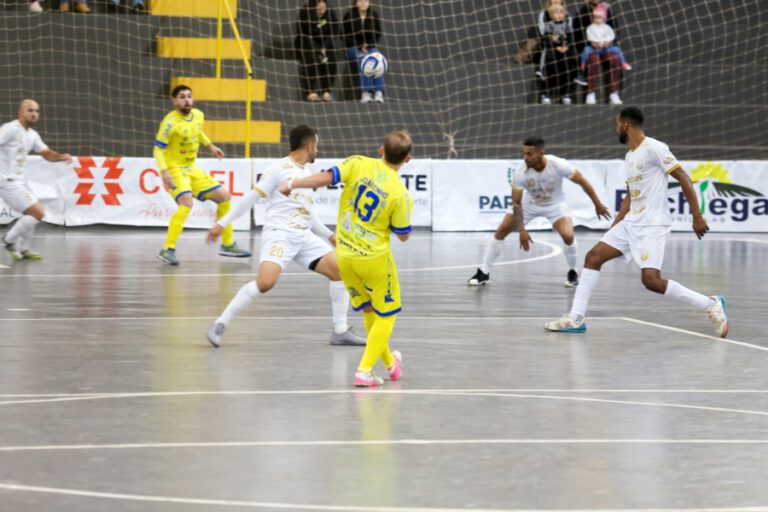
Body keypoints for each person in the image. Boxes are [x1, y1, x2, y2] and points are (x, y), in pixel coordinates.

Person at [544, 107, 730, 337]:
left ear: (625, 125)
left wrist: (697, 215)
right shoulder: (630, 155)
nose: (615, 129)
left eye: (616, 124)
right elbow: (632, 195)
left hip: (652, 224)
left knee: (651, 281)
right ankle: (576, 318)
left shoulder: (654, 147)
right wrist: (616, 227)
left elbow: (683, 177)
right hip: (631, 222)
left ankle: (710, 304)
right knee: (593, 257)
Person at [205, 125, 365, 348]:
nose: (317, 149)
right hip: (280, 235)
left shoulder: (306, 174)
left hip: (304, 237)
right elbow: (249, 199)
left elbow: (307, 214)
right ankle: (220, 323)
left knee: (341, 270)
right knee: (265, 283)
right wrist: (221, 224)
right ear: (309, 146)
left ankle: (340, 331)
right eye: (316, 145)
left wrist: (329, 236)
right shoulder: (278, 169)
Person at [276, 130, 414, 387]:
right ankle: (364, 371)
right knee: (387, 315)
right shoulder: (400, 194)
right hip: (374, 259)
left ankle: (389, 365)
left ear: (380, 150)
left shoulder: (358, 163)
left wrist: (292, 184)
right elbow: (403, 235)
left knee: (369, 309)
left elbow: (326, 177)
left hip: (345, 256)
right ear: (408, 159)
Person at [468, 136, 611, 287]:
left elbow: (582, 180)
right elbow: (516, 203)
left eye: (529, 154)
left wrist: (598, 204)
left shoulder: (558, 164)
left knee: (568, 235)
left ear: (541, 154)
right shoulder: (520, 172)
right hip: (529, 205)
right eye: (524, 153)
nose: (525, 158)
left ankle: (572, 272)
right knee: (501, 230)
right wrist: (522, 230)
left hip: (555, 205)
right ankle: (484, 272)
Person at [154, 85, 251, 265]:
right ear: (174, 101)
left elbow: (197, 131)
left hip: (192, 168)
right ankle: (167, 249)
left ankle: (227, 244)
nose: (187, 100)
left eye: (189, 96)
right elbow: (158, 149)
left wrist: (211, 146)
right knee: (186, 203)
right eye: (182, 97)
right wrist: (164, 171)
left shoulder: (198, 115)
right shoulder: (169, 123)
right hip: (175, 169)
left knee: (224, 197)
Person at [1, 99, 72, 261]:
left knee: (32, 212)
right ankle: (8, 241)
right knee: (38, 212)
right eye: (30, 110)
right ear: (20, 113)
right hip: (6, 182)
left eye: (36, 111)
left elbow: (47, 154)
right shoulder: (10, 129)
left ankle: (24, 249)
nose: (34, 114)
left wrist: (62, 157)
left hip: (19, 181)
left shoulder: (32, 135)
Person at [577, 3, 624, 105]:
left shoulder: (609, 13)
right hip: (592, 48)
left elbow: (614, 33)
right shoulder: (582, 13)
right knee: (594, 60)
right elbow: (579, 34)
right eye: (595, 17)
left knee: (615, 59)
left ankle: (614, 92)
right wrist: (591, 43)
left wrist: (610, 42)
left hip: (606, 48)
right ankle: (591, 93)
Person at [295, 0, 339, 102]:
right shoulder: (305, 12)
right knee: (311, 58)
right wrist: (316, 49)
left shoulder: (331, 13)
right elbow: (303, 34)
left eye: (323, 9)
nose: (321, 12)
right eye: (318, 9)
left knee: (331, 58)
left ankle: (326, 91)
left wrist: (324, 48)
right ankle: (311, 92)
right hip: (308, 43)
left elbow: (333, 33)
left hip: (324, 44)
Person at [342, 0, 384, 103]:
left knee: (377, 58)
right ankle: (366, 93)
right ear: (356, 3)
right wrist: (360, 46)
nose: (363, 3)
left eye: (365, 0)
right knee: (365, 60)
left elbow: (377, 34)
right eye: (360, 0)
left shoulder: (373, 15)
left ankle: (379, 92)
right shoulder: (349, 15)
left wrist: (368, 45)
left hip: (369, 48)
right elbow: (343, 35)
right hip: (353, 49)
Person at [536, 3, 578, 104]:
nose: (559, 15)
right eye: (556, 13)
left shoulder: (567, 26)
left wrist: (566, 46)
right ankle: (547, 93)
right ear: (551, 15)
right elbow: (546, 40)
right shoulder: (549, 26)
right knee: (551, 68)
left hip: (565, 51)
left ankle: (565, 93)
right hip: (553, 51)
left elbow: (571, 38)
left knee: (568, 67)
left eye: (561, 13)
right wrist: (555, 43)